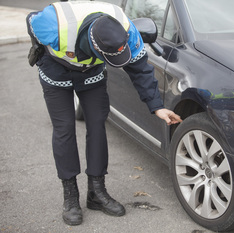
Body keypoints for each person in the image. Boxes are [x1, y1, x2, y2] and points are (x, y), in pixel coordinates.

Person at [26, 0, 182, 226]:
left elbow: (140, 70)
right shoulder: (50, 25)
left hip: (91, 72)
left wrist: (156, 106)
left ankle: (96, 193)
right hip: (56, 72)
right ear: (93, 44)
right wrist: (40, 53)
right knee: (64, 129)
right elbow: (30, 20)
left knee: (98, 124)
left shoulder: (125, 30)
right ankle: (70, 197)